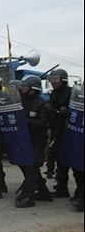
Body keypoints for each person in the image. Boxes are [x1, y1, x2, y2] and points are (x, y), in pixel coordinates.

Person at [15, 75, 52, 208]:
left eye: (25, 86)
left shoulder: (42, 104)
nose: (22, 88)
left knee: (32, 167)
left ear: (33, 88)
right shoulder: (21, 101)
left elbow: (43, 124)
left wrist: (27, 122)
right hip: (25, 139)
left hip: (38, 141)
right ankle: (43, 192)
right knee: (26, 166)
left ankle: (28, 196)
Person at [47, 69, 73, 198]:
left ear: (63, 80)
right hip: (56, 128)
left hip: (67, 130)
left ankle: (65, 188)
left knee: (66, 159)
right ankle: (61, 187)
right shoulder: (53, 94)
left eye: (56, 79)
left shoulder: (70, 92)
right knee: (56, 157)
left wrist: (63, 112)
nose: (53, 82)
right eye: (51, 79)